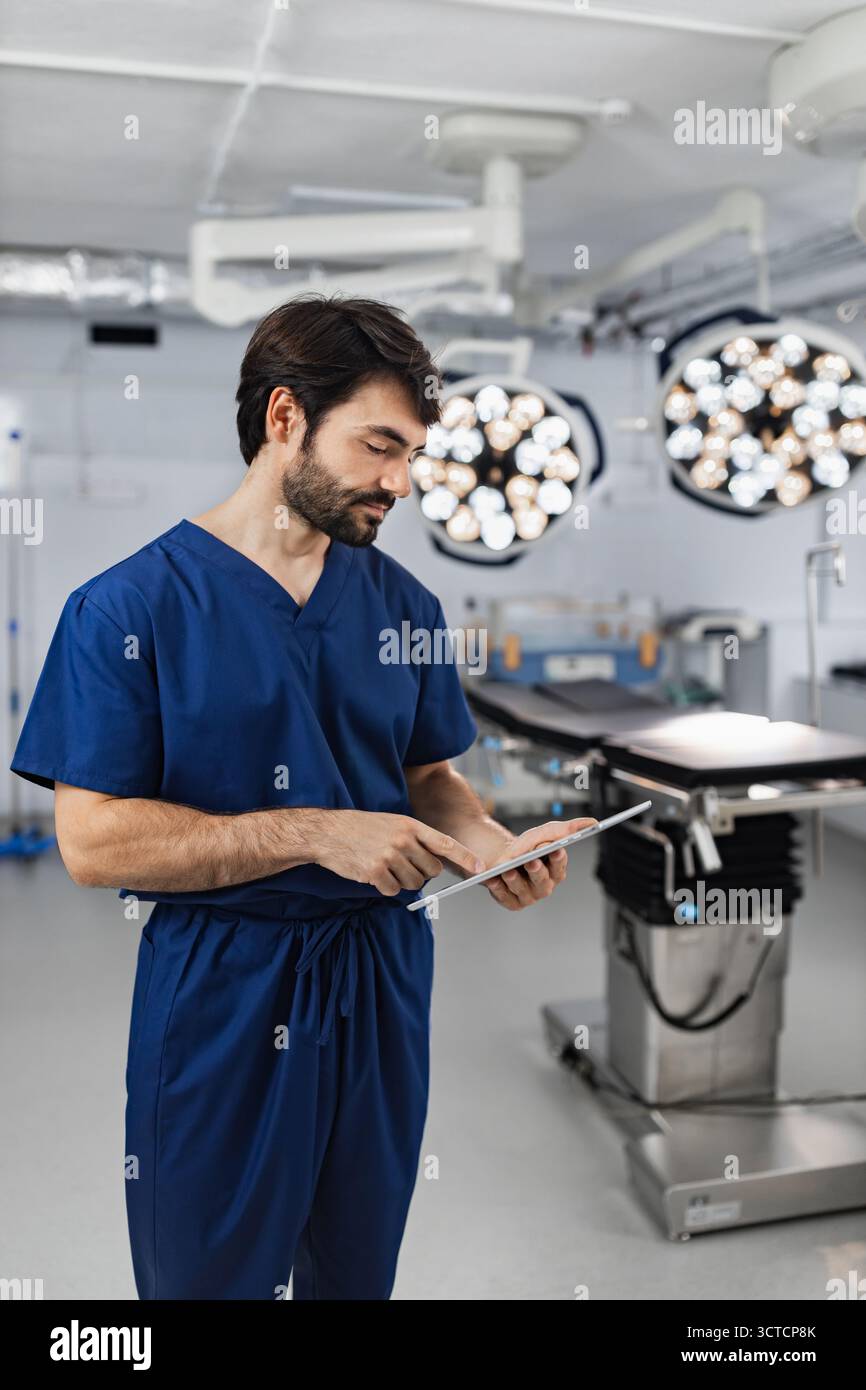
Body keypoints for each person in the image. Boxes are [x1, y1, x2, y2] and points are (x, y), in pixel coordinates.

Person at [11, 293, 588, 1300]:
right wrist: (315, 832)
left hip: (380, 978)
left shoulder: (402, 604)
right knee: (205, 1277)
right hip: (223, 989)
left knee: (354, 1274)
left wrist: (488, 840)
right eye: (377, 446)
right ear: (284, 419)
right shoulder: (126, 609)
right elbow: (93, 844)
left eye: (410, 454)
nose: (399, 482)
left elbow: (429, 781)